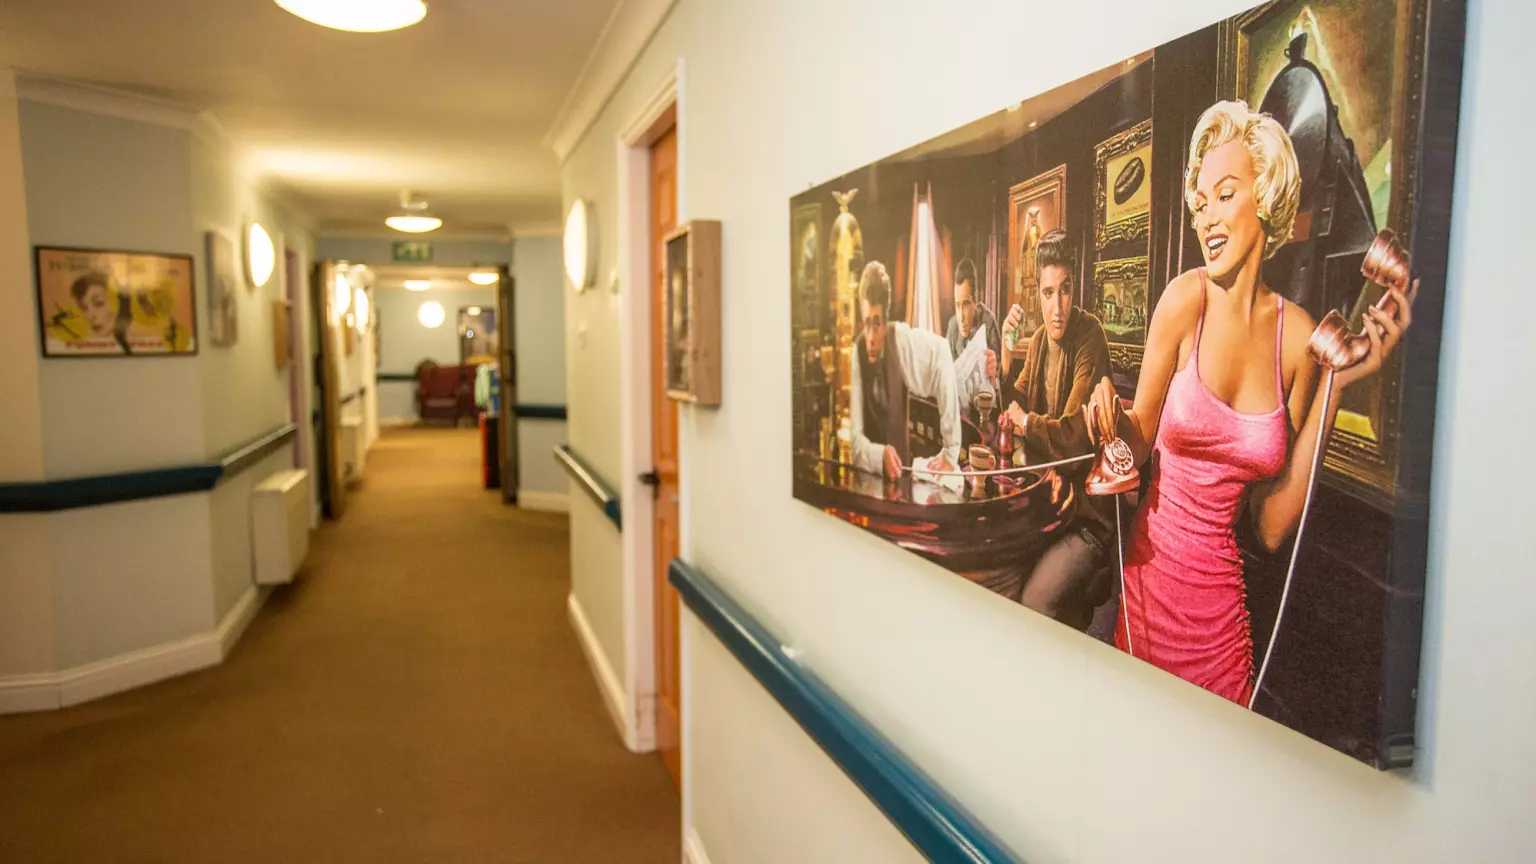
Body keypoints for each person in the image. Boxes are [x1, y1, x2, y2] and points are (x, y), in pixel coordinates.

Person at [1017, 101, 1413, 705]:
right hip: (1147, 594)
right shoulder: (1184, 301)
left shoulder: (1299, 338)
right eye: (1199, 204)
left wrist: (1336, 387)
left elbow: (1273, 527)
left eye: (1224, 195)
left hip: (1222, 624)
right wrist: (1110, 418)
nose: (1206, 218)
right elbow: (1138, 438)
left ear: (1267, 195)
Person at [998, 229, 1115, 631]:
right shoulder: (1036, 343)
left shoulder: (1090, 337)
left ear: (1075, 286)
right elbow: (1011, 402)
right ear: (1038, 293)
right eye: (1049, 294)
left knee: (1031, 603)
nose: (1057, 307)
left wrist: (1025, 422)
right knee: (1001, 581)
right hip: (1045, 507)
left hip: (1086, 521)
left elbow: (1072, 441)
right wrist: (1004, 356)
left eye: (1065, 291)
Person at [849, 261, 962, 479]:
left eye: (877, 323)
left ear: (885, 319)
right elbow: (855, 443)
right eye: (866, 324)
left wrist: (951, 450)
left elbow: (941, 352)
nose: (871, 336)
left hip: (900, 483)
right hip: (864, 481)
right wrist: (878, 455)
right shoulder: (857, 352)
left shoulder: (900, 340)